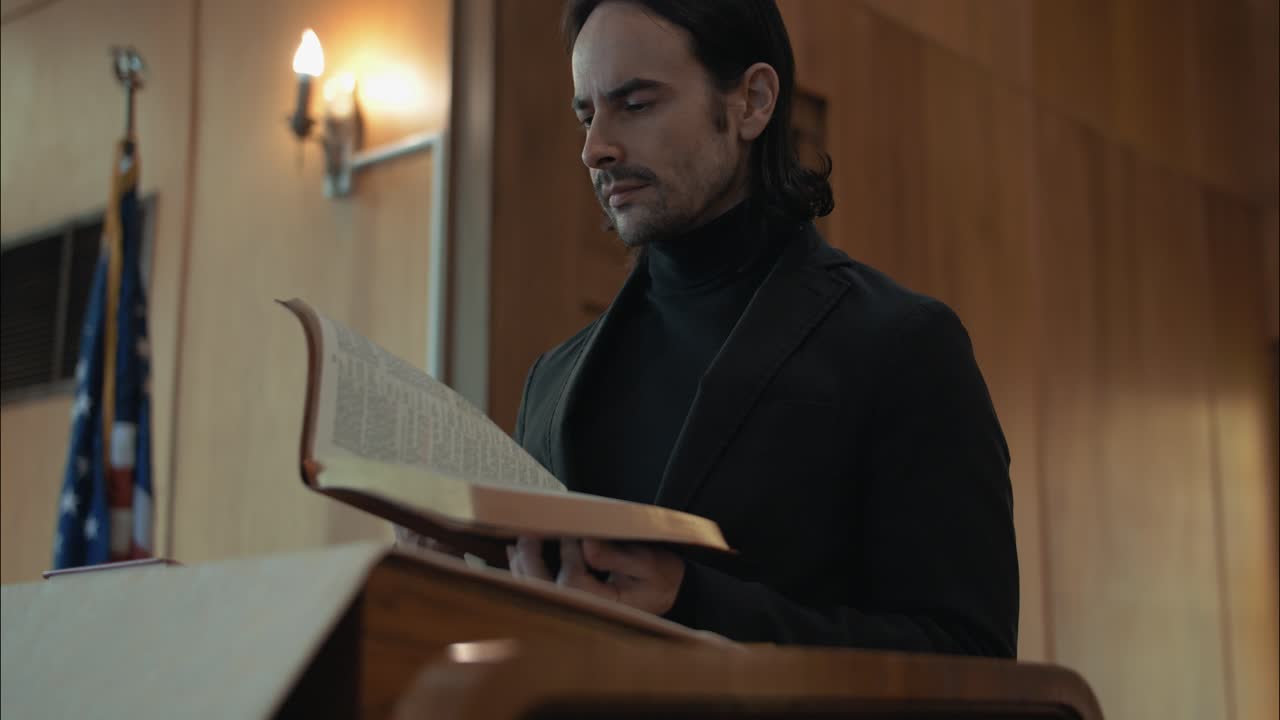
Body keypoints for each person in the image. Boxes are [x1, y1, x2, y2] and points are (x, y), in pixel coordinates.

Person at [498, 0, 1018, 656]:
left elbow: (971, 658)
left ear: (753, 101)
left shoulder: (905, 345)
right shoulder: (551, 382)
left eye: (636, 104)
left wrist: (695, 603)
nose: (595, 148)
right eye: (586, 114)